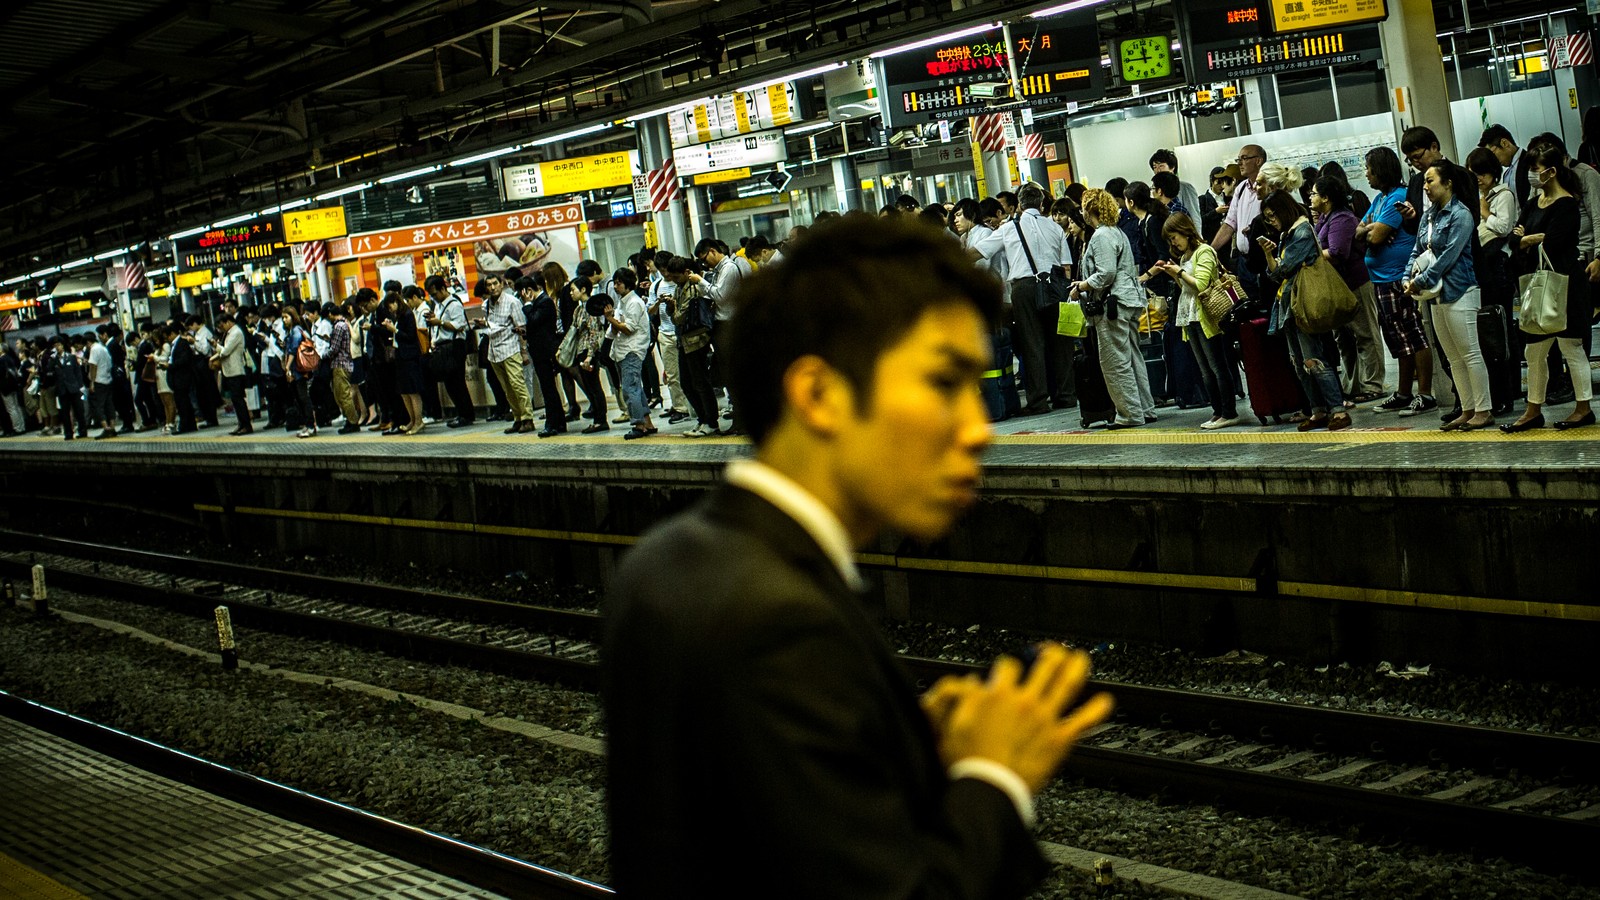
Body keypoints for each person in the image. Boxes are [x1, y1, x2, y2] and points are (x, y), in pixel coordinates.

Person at [603, 216, 1114, 898]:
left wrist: (902, 757)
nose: (975, 428)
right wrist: (994, 777)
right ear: (819, 395)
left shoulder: (673, 560)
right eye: (942, 383)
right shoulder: (777, 622)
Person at [1502, 146, 1594, 432]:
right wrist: (1531, 239)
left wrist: (1527, 239)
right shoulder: (1532, 203)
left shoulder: (1567, 204)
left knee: (1571, 347)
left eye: (1536, 168)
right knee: (1533, 351)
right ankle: (1533, 410)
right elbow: (1513, 240)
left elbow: (1553, 242)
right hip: (1537, 284)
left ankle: (1583, 407)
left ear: (1551, 171)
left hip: (1565, 284)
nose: (1532, 174)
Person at [967, 182, 1076, 415]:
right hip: (1055, 286)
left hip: (1024, 288)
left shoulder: (1009, 228)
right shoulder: (1055, 227)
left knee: (1032, 343)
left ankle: (1039, 401)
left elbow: (979, 251)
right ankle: (1066, 396)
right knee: (1062, 343)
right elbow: (1066, 266)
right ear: (1043, 203)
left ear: (1018, 205)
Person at [1404, 162, 1492, 431]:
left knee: (1470, 353)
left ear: (1448, 183)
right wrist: (1407, 277)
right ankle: (1467, 409)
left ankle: (1483, 409)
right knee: (1453, 357)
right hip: (1435, 296)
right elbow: (1417, 250)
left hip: (1460, 290)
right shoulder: (1428, 216)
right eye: (1425, 182)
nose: (1426, 187)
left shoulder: (1461, 214)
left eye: (1430, 181)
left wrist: (1420, 281)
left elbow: (1449, 257)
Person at [1259, 188, 1351, 431]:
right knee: (1299, 362)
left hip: (1303, 301)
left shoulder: (1300, 232)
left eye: (1272, 215)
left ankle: (1337, 410)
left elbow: (1282, 270)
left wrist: (1275, 264)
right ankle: (1318, 409)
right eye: (1268, 218)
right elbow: (1275, 272)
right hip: (1289, 304)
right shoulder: (1287, 235)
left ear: (1283, 210)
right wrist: (1270, 256)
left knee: (1313, 359)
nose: (1272, 221)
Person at [1074, 188, 1155, 429]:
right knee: (1132, 356)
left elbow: (1106, 273)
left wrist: (1083, 284)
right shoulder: (1117, 232)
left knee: (1114, 361)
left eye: (1083, 208)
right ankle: (1145, 408)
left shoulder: (1100, 236)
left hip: (1112, 305)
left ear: (1090, 210)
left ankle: (1130, 414)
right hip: (1129, 300)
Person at [1359, 146, 1432, 415]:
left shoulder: (1397, 198)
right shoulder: (1379, 200)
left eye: (1369, 169)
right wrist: (1369, 229)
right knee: (1397, 338)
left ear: (1381, 169)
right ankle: (1403, 392)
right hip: (1380, 279)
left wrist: (1372, 231)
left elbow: (1375, 238)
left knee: (1413, 334)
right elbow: (1359, 232)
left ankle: (1424, 393)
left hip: (1398, 278)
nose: (1366, 174)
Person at [1156, 214, 1240, 429]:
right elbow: (1186, 286)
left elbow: (1201, 284)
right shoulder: (1185, 256)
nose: (1174, 242)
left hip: (1206, 315)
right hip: (1189, 315)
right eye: (1170, 240)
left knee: (1217, 365)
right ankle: (1217, 411)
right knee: (1204, 368)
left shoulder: (1204, 251)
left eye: (1174, 237)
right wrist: (1174, 273)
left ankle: (1229, 411)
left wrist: (1180, 272)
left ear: (1185, 231)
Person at [1310, 175, 1384, 403]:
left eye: (1314, 193)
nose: (1310, 197)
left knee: (1365, 334)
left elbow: (1337, 252)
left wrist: (1310, 256)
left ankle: (1372, 385)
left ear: (1326, 197)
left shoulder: (1341, 219)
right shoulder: (1325, 218)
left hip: (1355, 283)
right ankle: (1352, 386)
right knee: (1344, 339)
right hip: (1338, 287)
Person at [662, 256, 721, 437]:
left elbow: (680, 318)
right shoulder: (680, 288)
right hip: (684, 341)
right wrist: (672, 308)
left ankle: (711, 422)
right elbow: (676, 317)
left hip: (697, 341)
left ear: (687, 272)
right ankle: (702, 419)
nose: (674, 281)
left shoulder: (694, 288)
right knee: (687, 384)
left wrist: (672, 308)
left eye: (676, 277)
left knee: (701, 383)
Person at [477, 274, 535, 434]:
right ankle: (517, 417)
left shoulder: (512, 302)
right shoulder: (486, 305)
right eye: (488, 285)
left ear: (501, 284)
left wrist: (524, 351)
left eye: (495, 283)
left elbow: (522, 327)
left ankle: (527, 418)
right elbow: (493, 325)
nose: (492, 287)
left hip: (511, 348)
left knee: (518, 385)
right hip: (494, 350)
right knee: (507, 388)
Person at [604, 268, 656, 440]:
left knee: (629, 389)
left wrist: (610, 319)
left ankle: (638, 425)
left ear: (628, 284)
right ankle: (647, 423)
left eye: (619, 283)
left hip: (632, 350)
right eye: (615, 283)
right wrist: (612, 320)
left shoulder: (633, 302)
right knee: (637, 389)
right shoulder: (622, 302)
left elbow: (628, 329)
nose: (616, 286)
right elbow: (617, 327)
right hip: (623, 350)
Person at [1212, 144, 1268, 303]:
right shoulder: (1241, 188)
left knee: (1268, 306)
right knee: (1249, 311)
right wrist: (1211, 249)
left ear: (1258, 161)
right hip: (1244, 262)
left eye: (1244, 158)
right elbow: (1229, 224)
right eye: (1238, 159)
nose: (1240, 163)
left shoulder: (1270, 186)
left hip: (1265, 260)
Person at [424, 275, 475, 428]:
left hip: (455, 345)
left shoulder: (454, 304)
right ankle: (461, 413)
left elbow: (460, 326)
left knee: (457, 382)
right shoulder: (438, 305)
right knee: (449, 383)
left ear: (443, 288)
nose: (433, 298)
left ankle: (466, 415)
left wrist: (439, 322)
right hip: (444, 347)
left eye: (435, 294)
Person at [211, 313, 253, 435]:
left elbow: (225, 351)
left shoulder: (236, 333)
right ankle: (241, 424)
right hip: (229, 371)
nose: (221, 328)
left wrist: (215, 345)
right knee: (235, 400)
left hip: (236, 371)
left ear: (228, 321)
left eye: (222, 325)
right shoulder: (229, 333)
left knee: (239, 400)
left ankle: (246, 425)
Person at [1149, 149, 1203, 233]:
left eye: (1161, 166)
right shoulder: (1154, 189)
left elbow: (1194, 215)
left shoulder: (1185, 187)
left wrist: (1198, 238)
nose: (1157, 170)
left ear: (1172, 167)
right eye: (1154, 167)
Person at [1479, 124, 1534, 205]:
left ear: (1504, 143)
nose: (1493, 161)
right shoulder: (1505, 173)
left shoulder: (1530, 163)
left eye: (1493, 154)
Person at [84, 331, 117, 439]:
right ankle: (112, 427)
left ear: (88, 343)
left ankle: (106, 428)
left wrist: (92, 382)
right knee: (109, 404)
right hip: (108, 379)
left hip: (99, 381)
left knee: (98, 405)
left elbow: (93, 366)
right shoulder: (103, 348)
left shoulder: (94, 349)